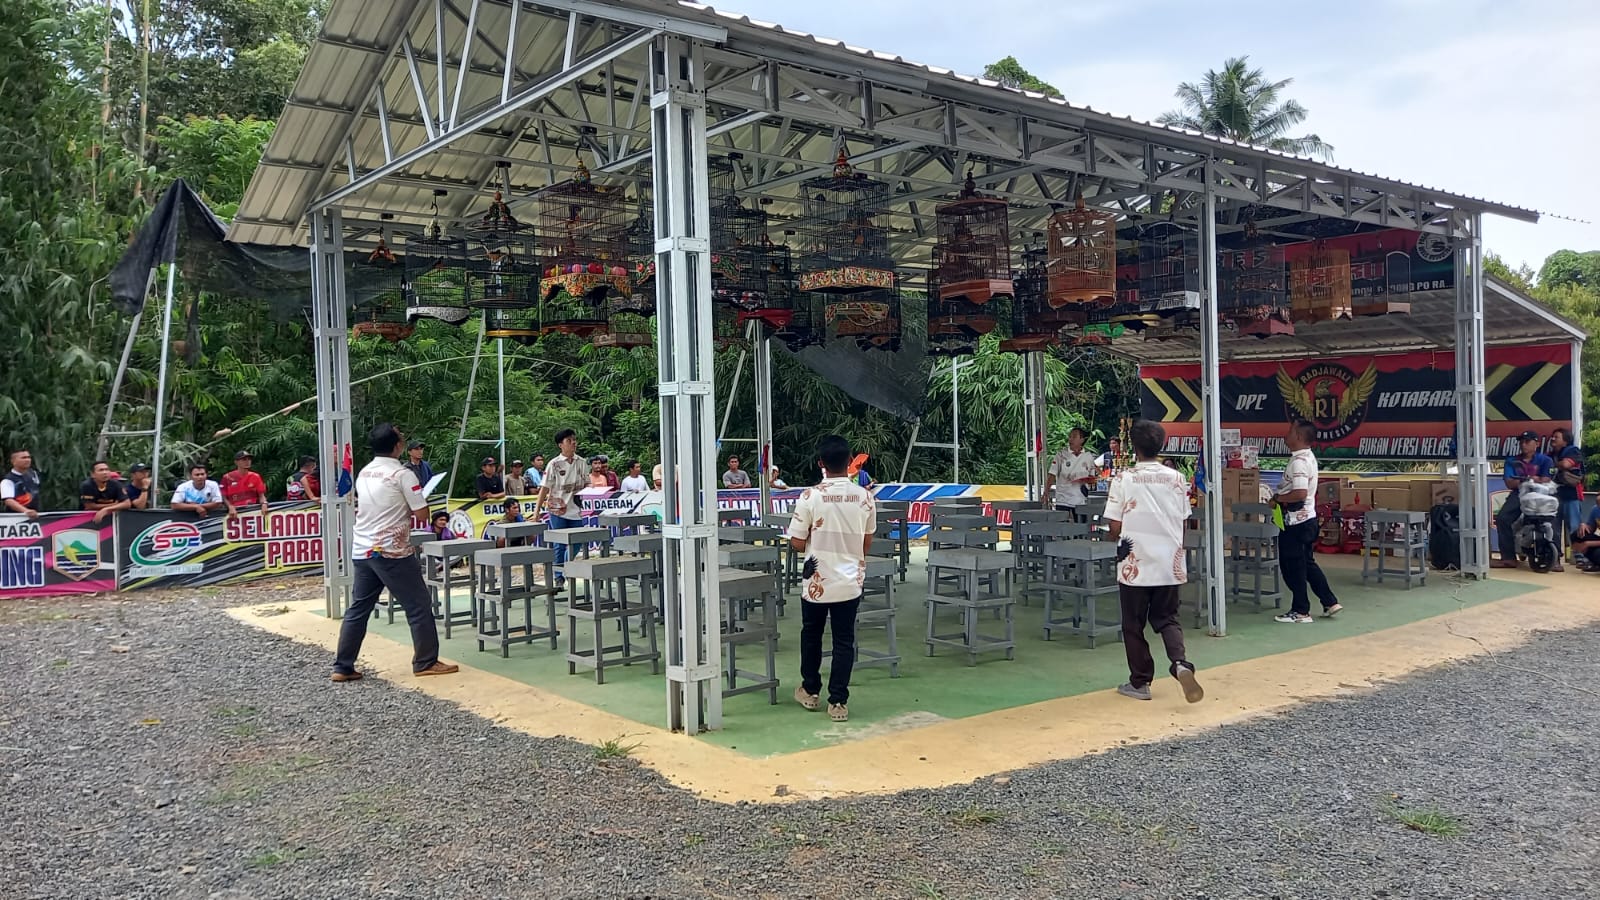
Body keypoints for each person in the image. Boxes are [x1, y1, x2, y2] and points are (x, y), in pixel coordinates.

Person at [332, 423, 457, 682]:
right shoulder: (402, 475)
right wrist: (421, 499)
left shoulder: (365, 472)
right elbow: (422, 514)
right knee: (418, 605)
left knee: (358, 608)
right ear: (398, 446)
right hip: (391, 549)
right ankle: (426, 661)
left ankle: (342, 666)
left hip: (363, 548)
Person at [1103, 420, 1204, 703]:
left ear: (1134, 447)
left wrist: (1115, 537)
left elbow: (1114, 524)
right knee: (1167, 618)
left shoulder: (1124, 478)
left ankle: (1140, 682)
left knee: (1133, 624)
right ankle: (1181, 663)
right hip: (1169, 561)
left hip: (1135, 563)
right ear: (1161, 446)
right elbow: (1185, 520)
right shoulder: (1175, 478)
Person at [785, 434, 875, 723]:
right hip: (850, 580)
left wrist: (813, 537)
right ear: (850, 462)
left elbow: (797, 542)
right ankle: (838, 702)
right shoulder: (865, 497)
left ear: (820, 463)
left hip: (817, 582)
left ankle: (810, 690)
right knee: (844, 640)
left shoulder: (810, 497)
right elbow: (866, 541)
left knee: (811, 634)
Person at [1272, 420, 1344, 622]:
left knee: (1292, 566)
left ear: (1299, 437)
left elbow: (1300, 493)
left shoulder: (1299, 463)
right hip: (1307, 520)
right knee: (1306, 563)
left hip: (1296, 523)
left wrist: (1277, 499)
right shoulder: (1308, 457)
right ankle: (1329, 601)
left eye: (1290, 431)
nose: (1286, 435)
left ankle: (1301, 611)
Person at [1493, 430, 1554, 570]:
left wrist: (1525, 480)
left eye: (1527, 441)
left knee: (1552, 517)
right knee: (1503, 518)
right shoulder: (1512, 461)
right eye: (1521, 442)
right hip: (1519, 495)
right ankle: (1508, 558)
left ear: (1536, 444)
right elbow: (1509, 483)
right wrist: (1534, 479)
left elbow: (1546, 480)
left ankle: (1554, 559)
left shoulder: (1546, 460)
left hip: (1541, 495)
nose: (1523, 445)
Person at [535, 428, 587, 576]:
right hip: (557, 509)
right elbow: (544, 488)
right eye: (569, 441)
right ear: (561, 445)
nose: (573, 443)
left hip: (575, 509)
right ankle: (558, 576)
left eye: (574, 440)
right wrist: (537, 511)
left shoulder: (581, 462)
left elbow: (586, 484)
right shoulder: (553, 464)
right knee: (560, 544)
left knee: (577, 540)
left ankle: (565, 568)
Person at [1550, 427, 1584, 562]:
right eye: (1552, 436)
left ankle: (1580, 557)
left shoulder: (1573, 450)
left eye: (1556, 437)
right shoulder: (1550, 454)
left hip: (1571, 495)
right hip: (1554, 496)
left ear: (1565, 441)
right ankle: (1554, 557)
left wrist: (1553, 465)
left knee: (1575, 527)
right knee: (1553, 528)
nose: (1552, 439)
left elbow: (1565, 464)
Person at [1044, 428, 1097, 513]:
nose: (1070, 439)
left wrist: (1088, 480)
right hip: (1063, 499)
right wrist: (1046, 492)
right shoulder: (1061, 455)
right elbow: (1052, 474)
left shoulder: (1088, 456)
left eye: (1074, 436)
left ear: (1082, 440)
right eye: (1070, 437)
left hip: (1081, 499)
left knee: (1081, 525)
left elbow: (1092, 477)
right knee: (1064, 525)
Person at [221, 450, 270, 519]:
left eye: (249, 459)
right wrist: (230, 506)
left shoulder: (255, 476)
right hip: (235, 511)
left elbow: (261, 495)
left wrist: (264, 503)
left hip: (252, 509)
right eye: (244, 459)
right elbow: (224, 496)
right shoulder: (227, 477)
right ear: (236, 462)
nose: (247, 461)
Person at [2, 448, 42, 518]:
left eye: (28, 457)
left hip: (36, 516)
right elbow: (8, 500)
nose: (27, 460)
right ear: (13, 461)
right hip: (16, 518)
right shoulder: (8, 480)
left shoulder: (33, 473)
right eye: (23, 458)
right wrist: (26, 511)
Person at [1572, 503, 1600, 572]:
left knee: (1598, 553)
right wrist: (1584, 525)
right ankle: (1596, 564)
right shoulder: (1595, 509)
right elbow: (1591, 529)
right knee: (1578, 534)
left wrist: (1588, 543)